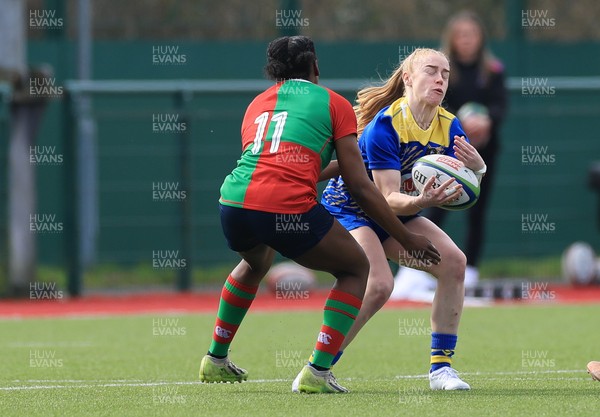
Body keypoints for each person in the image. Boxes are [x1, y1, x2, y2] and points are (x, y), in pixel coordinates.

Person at [198, 35, 440, 394]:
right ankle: (318, 371)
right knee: (356, 269)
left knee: (254, 262)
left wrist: (333, 168)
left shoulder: (256, 105)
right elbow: (360, 186)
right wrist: (407, 239)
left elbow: (271, 163)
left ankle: (215, 358)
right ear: (315, 68)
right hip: (284, 207)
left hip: (232, 203)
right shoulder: (333, 103)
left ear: (274, 72)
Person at [318, 48, 486, 390]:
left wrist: (479, 169)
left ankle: (441, 370)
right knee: (379, 285)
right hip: (352, 210)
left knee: (454, 263)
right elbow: (388, 199)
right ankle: (319, 366)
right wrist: (424, 199)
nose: (440, 79)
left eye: (446, 74)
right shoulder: (386, 125)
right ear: (408, 78)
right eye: (431, 71)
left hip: (398, 214)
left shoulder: (450, 126)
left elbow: (467, 187)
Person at [393, 10, 507, 299]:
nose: (467, 40)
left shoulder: (493, 70)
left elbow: (500, 106)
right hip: (443, 151)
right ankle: (416, 269)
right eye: (461, 35)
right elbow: (437, 106)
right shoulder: (443, 71)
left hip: (482, 152)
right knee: (434, 207)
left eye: (472, 35)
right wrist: (459, 124)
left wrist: (487, 121)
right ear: (452, 40)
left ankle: (471, 272)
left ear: (481, 39)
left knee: (477, 209)